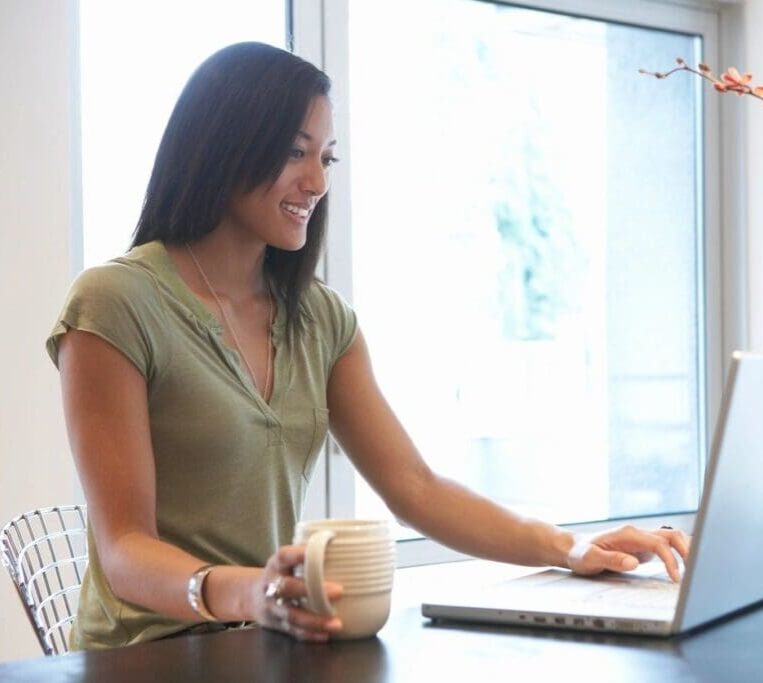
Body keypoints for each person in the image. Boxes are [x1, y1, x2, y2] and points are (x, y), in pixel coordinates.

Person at [47, 42, 690, 650]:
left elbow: (416, 487)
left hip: (266, 647)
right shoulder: (115, 302)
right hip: (138, 659)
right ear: (223, 146)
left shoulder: (321, 320)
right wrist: (254, 591)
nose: (316, 183)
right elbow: (124, 547)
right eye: (295, 152)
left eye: (325, 158)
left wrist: (569, 548)